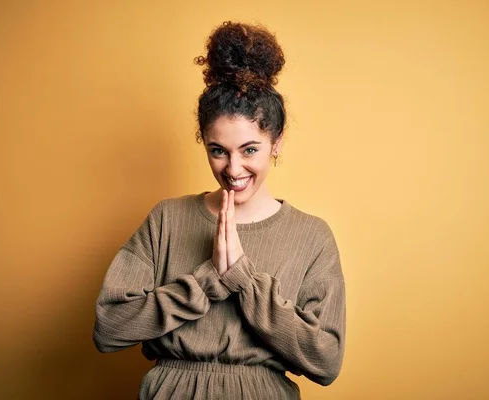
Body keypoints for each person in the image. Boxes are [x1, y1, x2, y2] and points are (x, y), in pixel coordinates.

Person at [93, 21, 346, 400]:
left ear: (276, 143)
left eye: (249, 150)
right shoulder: (167, 218)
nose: (233, 169)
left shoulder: (312, 236)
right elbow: (109, 328)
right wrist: (207, 281)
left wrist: (243, 281)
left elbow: (326, 361)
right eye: (217, 150)